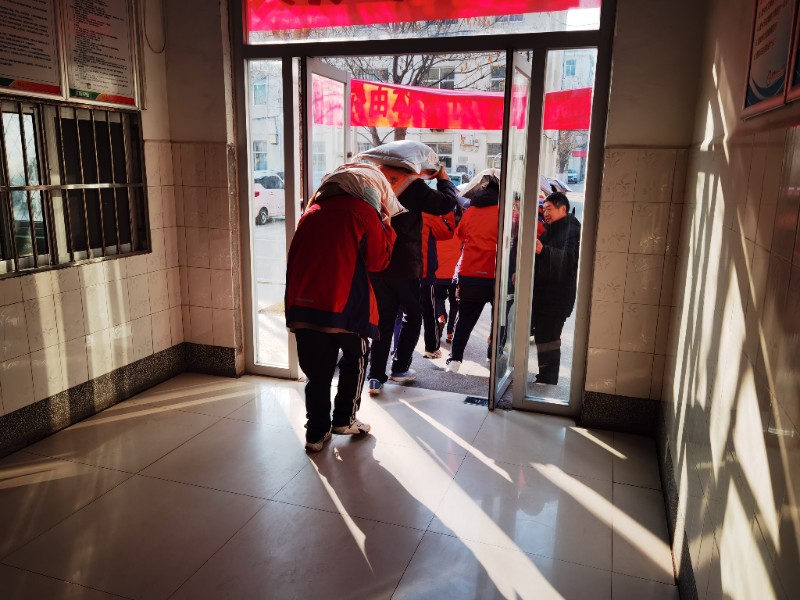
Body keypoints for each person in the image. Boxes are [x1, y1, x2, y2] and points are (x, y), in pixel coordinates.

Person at [285, 163, 397, 452]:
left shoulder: (311, 212)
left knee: (317, 372)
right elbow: (378, 261)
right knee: (355, 358)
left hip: (303, 305)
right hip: (344, 306)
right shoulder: (364, 213)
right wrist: (386, 227)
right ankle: (344, 419)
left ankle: (315, 433)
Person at [367, 163, 458, 394]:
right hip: (406, 265)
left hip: (378, 262)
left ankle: (375, 376)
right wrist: (443, 179)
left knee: (383, 320)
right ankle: (399, 369)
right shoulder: (412, 185)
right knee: (413, 315)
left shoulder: (375, 180)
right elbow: (445, 203)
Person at [445, 171, 500, 373]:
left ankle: (455, 361)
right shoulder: (505, 211)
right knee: (499, 320)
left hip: (470, 272)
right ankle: (492, 356)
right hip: (497, 273)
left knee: (465, 320)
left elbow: (460, 234)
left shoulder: (471, 211)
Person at [531, 191, 581, 385]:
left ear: (563, 209)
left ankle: (548, 378)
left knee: (550, 337)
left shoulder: (571, 229)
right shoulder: (552, 230)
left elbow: (569, 260)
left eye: (549, 209)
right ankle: (544, 376)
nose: (545, 213)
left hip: (558, 297)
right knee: (543, 336)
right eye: (543, 209)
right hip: (545, 295)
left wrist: (543, 250)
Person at [420, 212, 455, 359]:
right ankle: (443, 338)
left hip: (406, 273)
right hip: (433, 273)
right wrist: (449, 209)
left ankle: (441, 315)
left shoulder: (399, 212)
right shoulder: (431, 218)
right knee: (434, 310)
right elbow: (449, 231)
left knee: (402, 316)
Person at [432, 208, 461, 344]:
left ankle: (441, 315)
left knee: (438, 298)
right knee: (455, 303)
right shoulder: (460, 230)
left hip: (438, 273)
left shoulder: (436, 229)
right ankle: (450, 333)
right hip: (455, 274)